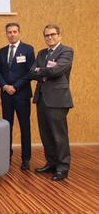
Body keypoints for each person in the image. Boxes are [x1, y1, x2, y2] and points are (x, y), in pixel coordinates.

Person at [31, 25, 73, 181]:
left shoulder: (66, 51)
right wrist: (41, 72)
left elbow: (57, 70)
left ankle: (63, 167)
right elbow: (31, 71)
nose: (49, 37)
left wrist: (40, 71)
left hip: (57, 99)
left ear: (59, 35)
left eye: (52, 35)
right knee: (46, 134)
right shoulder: (41, 53)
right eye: (46, 35)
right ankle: (51, 163)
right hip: (41, 98)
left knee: (59, 135)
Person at [0, 22, 35, 170]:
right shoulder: (2, 51)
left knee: (25, 127)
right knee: (7, 127)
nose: (12, 34)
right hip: (6, 95)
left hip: (22, 95)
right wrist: (5, 86)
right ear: (6, 34)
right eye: (9, 32)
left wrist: (15, 86)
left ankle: (26, 158)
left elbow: (31, 72)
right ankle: (7, 156)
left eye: (14, 31)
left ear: (19, 33)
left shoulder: (28, 49)